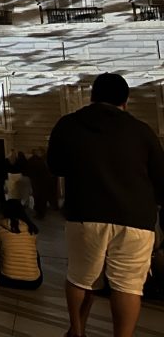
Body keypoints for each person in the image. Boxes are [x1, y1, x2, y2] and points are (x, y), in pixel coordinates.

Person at [47, 72, 164, 337]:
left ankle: (77, 331)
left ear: (92, 97)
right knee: (128, 286)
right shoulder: (142, 131)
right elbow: (161, 177)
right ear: (126, 100)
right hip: (135, 217)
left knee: (80, 277)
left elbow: (55, 165)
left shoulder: (69, 124)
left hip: (86, 212)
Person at [0, 199, 42, 290]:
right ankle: (30, 272)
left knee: (2, 251)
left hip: (7, 281)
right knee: (35, 253)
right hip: (33, 283)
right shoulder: (31, 229)